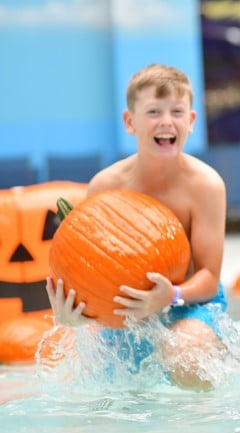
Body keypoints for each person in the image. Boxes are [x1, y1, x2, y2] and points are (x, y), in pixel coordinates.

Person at [45, 63, 229, 391]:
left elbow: (209, 279)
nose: (166, 121)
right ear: (130, 122)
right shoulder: (106, 185)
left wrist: (170, 295)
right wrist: (74, 312)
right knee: (110, 392)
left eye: (176, 111)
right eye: (153, 112)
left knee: (186, 359)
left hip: (187, 302)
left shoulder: (205, 186)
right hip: (125, 312)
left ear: (190, 121)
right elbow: (92, 269)